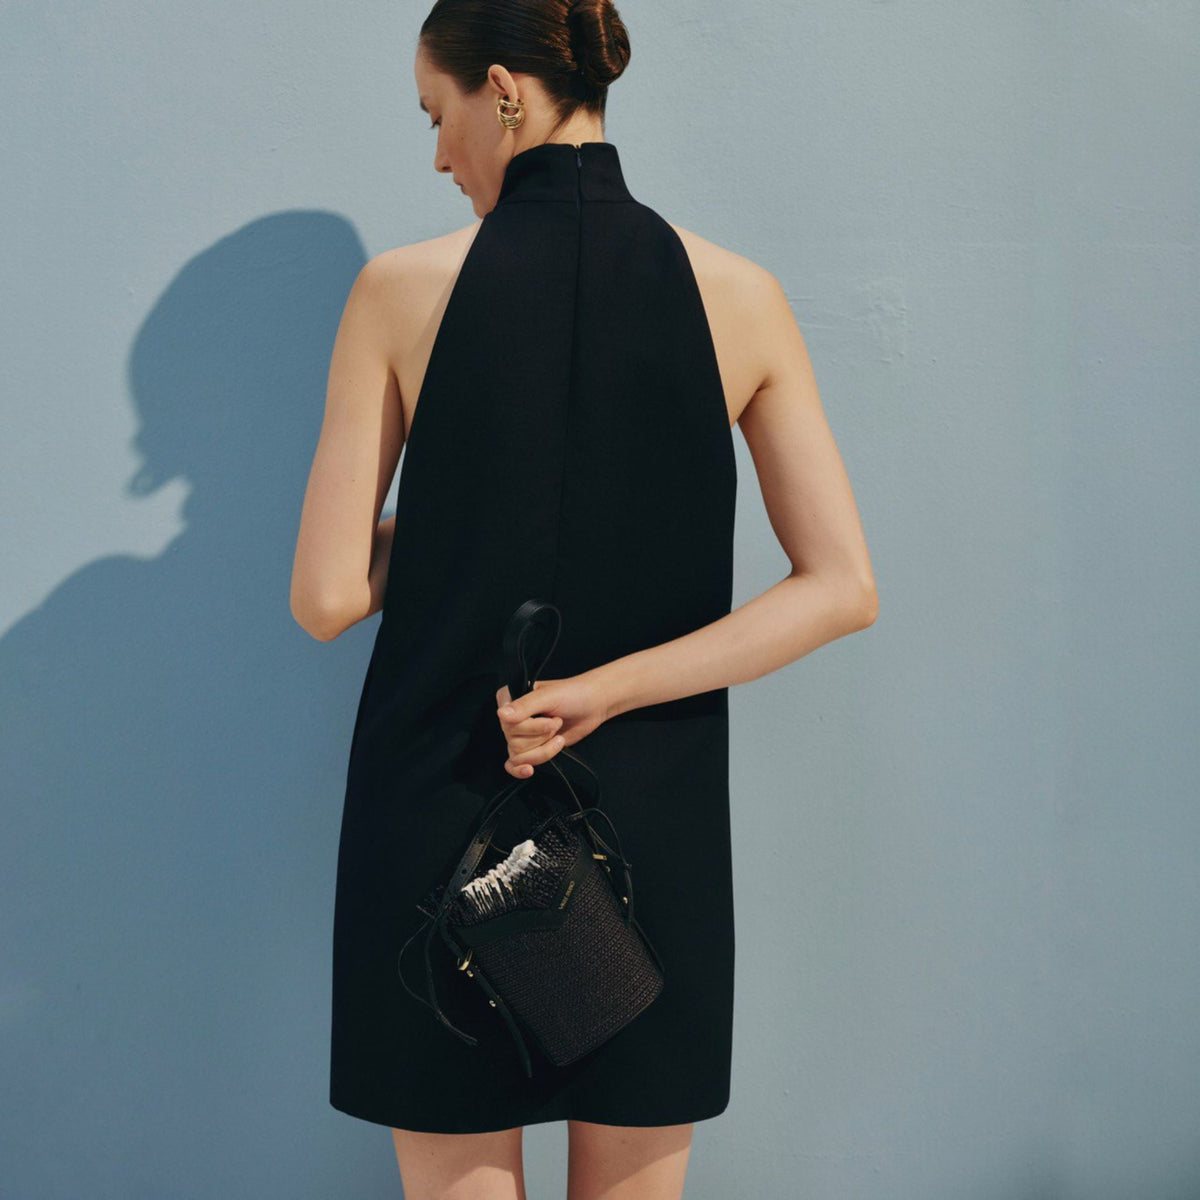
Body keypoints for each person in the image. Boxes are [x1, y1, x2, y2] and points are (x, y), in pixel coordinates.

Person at [290, 1, 877, 1196]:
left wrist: (452, 533)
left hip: (444, 804)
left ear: (500, 89)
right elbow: (841, 587)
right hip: (647, 813)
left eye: (436, 114)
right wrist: (607, 689)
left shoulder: (398, 291)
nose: (436, 155)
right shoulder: (741, 294)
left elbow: (326, 595)